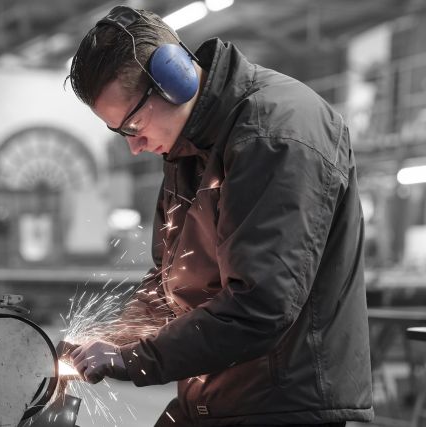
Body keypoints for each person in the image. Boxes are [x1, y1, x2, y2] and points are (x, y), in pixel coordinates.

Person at [67, 5, 374, 427]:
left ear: (175, 77)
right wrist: (114, 337)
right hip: (223, 397)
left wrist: (133, 358)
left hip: (283, 406)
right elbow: (171, 282)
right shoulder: (189, 147)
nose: (134, 147)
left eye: (134, 124)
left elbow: (259, 304)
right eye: (121, 132)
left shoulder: (275, 136)